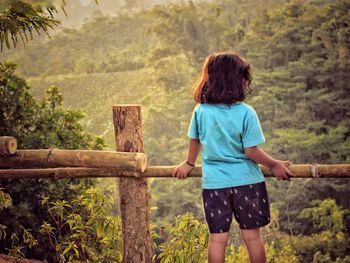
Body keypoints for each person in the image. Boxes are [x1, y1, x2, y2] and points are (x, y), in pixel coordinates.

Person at [172, 52, 295, 263]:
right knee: (252, 237)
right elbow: (251, 151)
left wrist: (189, 163)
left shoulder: (201, 111)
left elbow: (195, 140)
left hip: (215, 184)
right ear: (239, 81)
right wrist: (274, 164)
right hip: (247, 182)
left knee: (218, 239)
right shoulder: (246, 112)